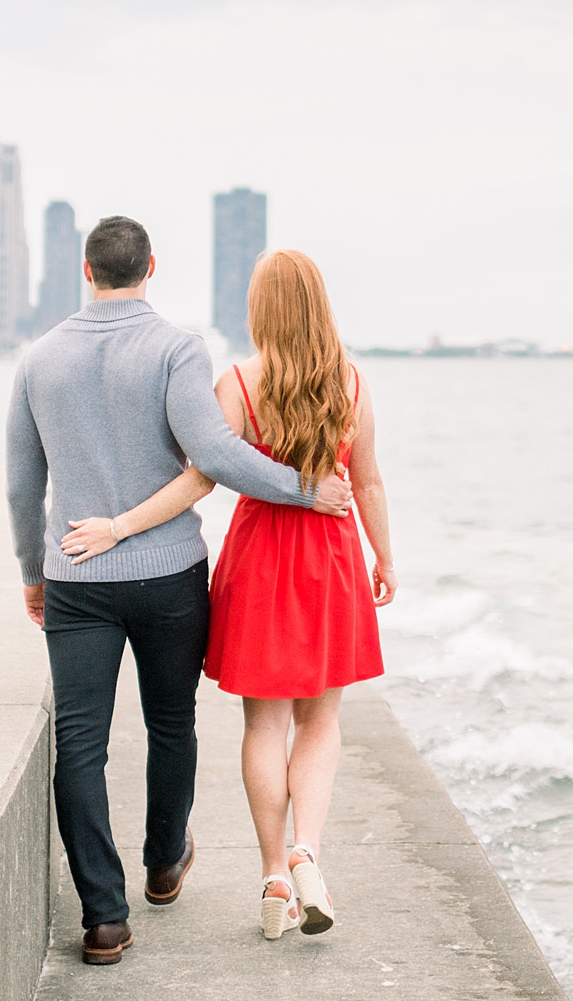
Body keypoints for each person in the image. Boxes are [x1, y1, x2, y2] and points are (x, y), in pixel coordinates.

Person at [6, 215, 353, 967]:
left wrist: (33, 573)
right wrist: (305, 489)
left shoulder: (39, 359)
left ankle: (105, 918)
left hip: (76, 574)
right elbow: (216, 455)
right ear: (151, 267)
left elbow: (22, 483)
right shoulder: (176, 349)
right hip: (167, 574)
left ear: (87, 271)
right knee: (171, 725)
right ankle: (164, 863)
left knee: (82, 745)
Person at [158, 249, 395, 939]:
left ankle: (270, 873)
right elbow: (370, 480)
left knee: (264, 724)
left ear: (262, 310)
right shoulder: (350, 384)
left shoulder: (237, 382)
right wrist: (385, 557)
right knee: (320, 721)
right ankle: (307, 850)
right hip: (330, 560)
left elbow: (209, 470)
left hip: (260, 558)